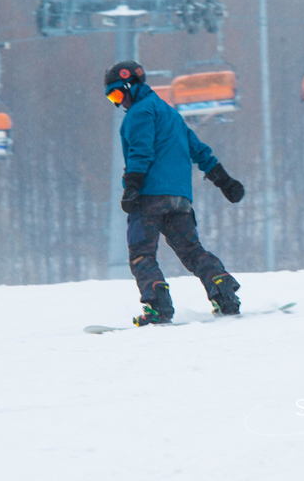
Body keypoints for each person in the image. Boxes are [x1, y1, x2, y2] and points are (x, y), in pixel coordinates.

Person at [105, 61, 247, 326]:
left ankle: (158, 306)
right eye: (112, 98)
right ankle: (222, 289)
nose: (118, 103)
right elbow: (199, 151)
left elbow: (141, 150)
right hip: (180, 199)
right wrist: (225, 181)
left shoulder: (138, 113)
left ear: (131, 85)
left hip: (149, 196)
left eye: (117, 94)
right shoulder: (171, 114)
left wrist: (132, 186)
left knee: (141, 254)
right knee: (191, 250)